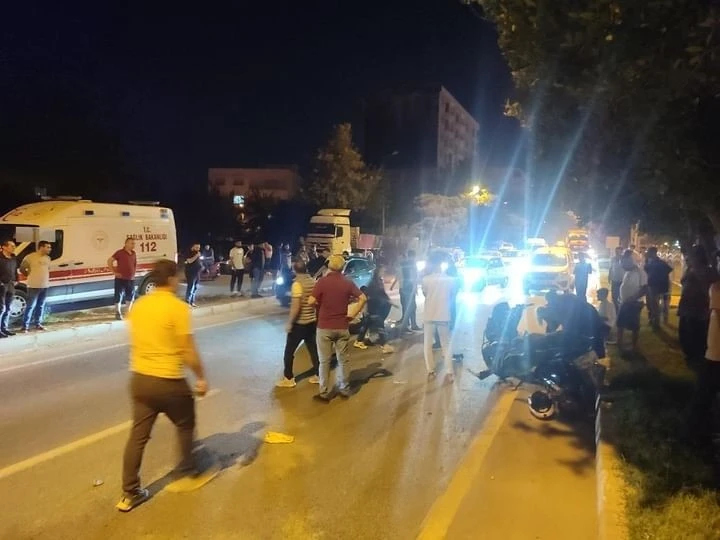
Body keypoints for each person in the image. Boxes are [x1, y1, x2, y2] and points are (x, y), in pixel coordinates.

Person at [117, 259, 216, 512]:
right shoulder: (177, 307)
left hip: (140, 379)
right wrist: (201, 377)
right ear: (171, 279)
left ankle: (130, 493)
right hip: (168, 381)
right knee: (185, 424)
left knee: (138, 436)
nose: (180, 281)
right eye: (179, 277)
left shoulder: (139, 305)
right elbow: (187, 350)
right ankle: (187, 472)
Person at [308, 254, 367, 402]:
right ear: (342, 268)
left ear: (329, 266)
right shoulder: (347, 282)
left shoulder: (322, 282)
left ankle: (324, 392)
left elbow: (311, 301)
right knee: (343, 360)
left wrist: (320, 306)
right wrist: (353, 314)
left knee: (324, 361)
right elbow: (363, 298)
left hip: (324, 327)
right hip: (342, 326)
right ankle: (345, 389)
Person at [276, 259, 320, 388]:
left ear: (294, 270)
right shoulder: (312, 281)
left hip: (299, 324)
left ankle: (288, 378)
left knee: (289, 352)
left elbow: (296, 306)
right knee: (313, 350)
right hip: (311, 322)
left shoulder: (297, 284)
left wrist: (290, 322)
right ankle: (319, 374)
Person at [678, 246, 718, 366]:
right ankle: (690, 355)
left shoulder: (708, 271)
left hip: (700, 309)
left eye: (693, 255)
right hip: (686, 306)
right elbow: (683, 281)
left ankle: (697, 357)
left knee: (697, 333)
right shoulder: (690, 269)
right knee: (685, 333)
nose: (690, 258)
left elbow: (710, 288)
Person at [421, 251, 457, 382]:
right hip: (443, 314)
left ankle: (431, 371)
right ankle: (449, 372)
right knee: (445, 344)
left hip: (429, 314)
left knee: (427, 344)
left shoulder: (425, 279)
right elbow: (452, 295)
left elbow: (425, 294)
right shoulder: (450, 280)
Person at [354, 267, 395, 354]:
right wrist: (366, 308)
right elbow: (370, 294)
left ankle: (359, 340)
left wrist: (388, 300)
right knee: (380, 325)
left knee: (367, 324)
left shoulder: (378, 282)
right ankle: (384, 345)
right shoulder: (374, 283)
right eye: (382, 271)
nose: (383, 273)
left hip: (375, 307)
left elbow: (382, 293)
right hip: (374, 307)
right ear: (378, 272)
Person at [616, 250, 648, 352]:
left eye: (624, 263)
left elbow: (644, 289)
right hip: (624, 302)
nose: (623, 266)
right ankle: (619, 342)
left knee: (634, 325)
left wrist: (633, 298)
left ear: (631, 261)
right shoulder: (628, 272)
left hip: (634, 303)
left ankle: (634, 346)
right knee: (620, 323)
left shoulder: (640, 272)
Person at [20, 240, 52, 332]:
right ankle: (25, 326)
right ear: (41, 247)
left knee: (41, 305)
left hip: (45, 285)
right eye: (48, 247)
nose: (50, 249)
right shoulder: (30, 257)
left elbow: (47, 269)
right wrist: (29, 275)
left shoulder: (48, 258)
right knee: (30, 306)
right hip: (33, 285)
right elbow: (22, 268)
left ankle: (38, 324)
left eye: (50, 247)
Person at [391, 250, 421, 333]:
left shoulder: (403, 264)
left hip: (404, 288)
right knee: (411, 307)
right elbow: (412, 277)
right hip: (408, 288)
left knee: (407, 306)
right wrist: (414, 289)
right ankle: (408, 325)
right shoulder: (411, 265)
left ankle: (408, 324)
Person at [107, 238, 137, 320]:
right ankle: (118, 313)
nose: (133, 245)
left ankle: (128, 312)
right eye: (132, 243)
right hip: (120, 278)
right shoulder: (119, 253)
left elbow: (134, 264)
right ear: (126, 244)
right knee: (118, 296)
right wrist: (114, 272)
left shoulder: (134, 253)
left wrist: (133, 274)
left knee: (130, 296)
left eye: (134, 243)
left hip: (130, 279)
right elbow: (109, 261)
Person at [644, 246, 672, 328]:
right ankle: (653, 320)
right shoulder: (650, 262)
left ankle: (656, 323)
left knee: (655, 305)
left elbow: (668, 270)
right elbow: (646, 270)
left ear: (653, 253)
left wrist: (659, 279)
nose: (648, 254)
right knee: (651, 304)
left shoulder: (660, 263)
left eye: (649, 252)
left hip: (655, 286)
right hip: (651, 285)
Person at [0, 239, 18, 337]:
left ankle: (4, 328)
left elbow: (15, 270)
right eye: (11, 246)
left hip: (11, 285)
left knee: (8, 308)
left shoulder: (13, 258)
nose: (14, 248)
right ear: (4, 247)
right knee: (1, 308)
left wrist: (16, 280)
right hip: (2, 286)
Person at [608, 246, 625, 311]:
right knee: (614, 296)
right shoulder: (613, 259)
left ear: (622, 252)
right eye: (616, 251)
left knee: (621, 296)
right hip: (614, 280)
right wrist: (609, 276)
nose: (617, 253)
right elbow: (610, 268)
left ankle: (621, 309)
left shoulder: (624, 259)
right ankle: (616, 309)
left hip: (622, 280)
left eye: (619, 251)